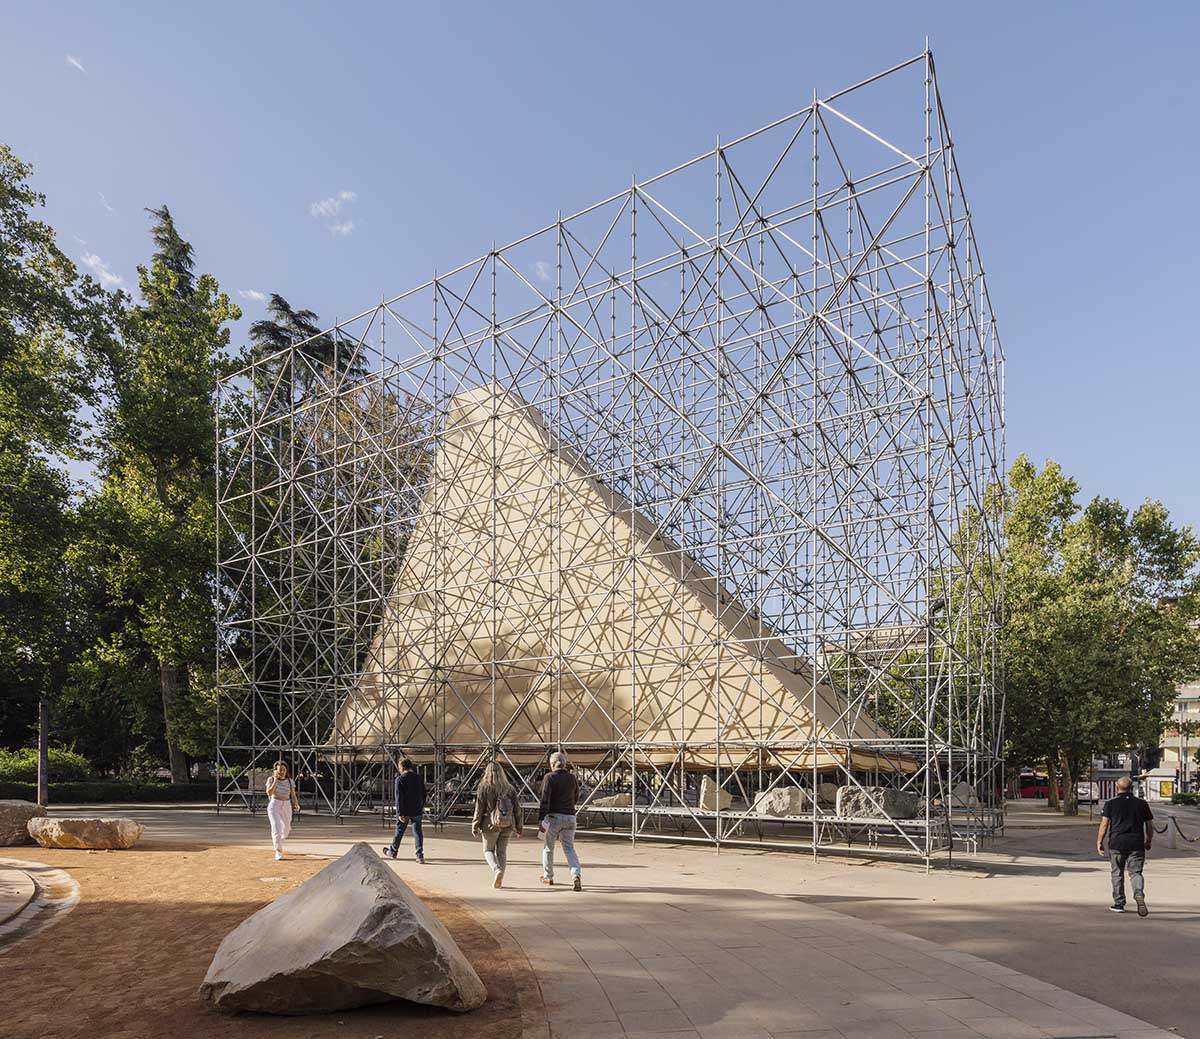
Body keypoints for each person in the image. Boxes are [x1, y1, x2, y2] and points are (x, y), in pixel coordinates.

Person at [1097, 775, 1154, 915]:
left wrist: (1099, 841)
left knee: (1117, 873)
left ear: (1117, 788)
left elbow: (1104, 824)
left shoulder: (1110, 803)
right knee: (1136, 873)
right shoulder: (1142, 804)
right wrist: (1148, 840)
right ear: (1132, 788)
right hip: (1136, 843)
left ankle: (1119, 903)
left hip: (1116, 843)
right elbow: (1149, 824)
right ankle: (1138, 893)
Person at [471, 761, 524, 888]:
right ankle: (500, 879)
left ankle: (496, 870)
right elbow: (517, 808)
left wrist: (475, 825)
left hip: (490, 825)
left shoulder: (483, 788)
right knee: (502, 852)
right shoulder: (509, 788)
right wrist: (519, 826)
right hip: (508, 824)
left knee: (488, 850)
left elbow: (479, 809)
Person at [538, 750, 582, 891]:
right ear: (564, 764)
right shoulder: (572, 778)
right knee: (569, 848)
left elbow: (545, 799)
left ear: (552, 764)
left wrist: (541, 818)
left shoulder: (549, 777)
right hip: (570, 816)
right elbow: (576, 796)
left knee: (548, 848)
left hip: (553, 817)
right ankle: (576, 875)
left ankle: (548, 876)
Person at [382, 757, 426, 863]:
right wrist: (421, 805)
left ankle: (393, 851)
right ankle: (419, 855)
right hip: (417, 809)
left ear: (402, 767)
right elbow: (424, 793)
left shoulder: (400, 779)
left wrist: (400, 813)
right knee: (418, 832)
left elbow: (399, 798)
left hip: (405, 810)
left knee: (399, 831)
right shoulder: (418, 778)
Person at [264, 760, 300, 861]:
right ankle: (278, 850)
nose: (282, 772)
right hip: (275, 804)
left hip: (286, 805)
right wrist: (275, 780)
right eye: (279, 770)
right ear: (275, 770)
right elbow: (269, 793)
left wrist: (296, 803)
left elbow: (293, 794)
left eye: (283, 770)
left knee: (286, 828)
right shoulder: (271, 779)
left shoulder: (290, 781)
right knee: (277, 828)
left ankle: (280, 838)